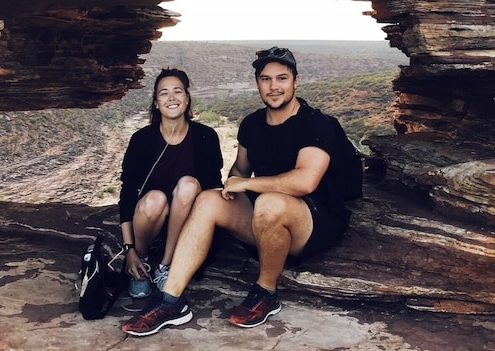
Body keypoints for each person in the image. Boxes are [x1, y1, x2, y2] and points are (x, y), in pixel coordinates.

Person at [122, 47, 351, 336]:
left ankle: (266, 292)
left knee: (268, 203)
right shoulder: (252, 124)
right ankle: (171, 299)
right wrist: (233, 188)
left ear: (296, 81)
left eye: (282, 78)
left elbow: (305, 181)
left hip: (316, 221)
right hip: (267, 222)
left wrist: (247, 185)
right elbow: (239, 172)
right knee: (207, 199)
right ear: (257, 83)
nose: (274, 86)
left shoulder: (315, 123)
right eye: (265, 79)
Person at [118, 68, 224, 300]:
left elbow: (212, 190)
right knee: (156, 198)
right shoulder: (142, 140)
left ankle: (167, 266)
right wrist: (130, 250)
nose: (172, 98)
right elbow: (127, 194)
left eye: (178, 91)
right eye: (164, 93)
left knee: (188, 185)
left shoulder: (206, 137)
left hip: (187, 223)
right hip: (149, 221)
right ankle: (141, 262)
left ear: (187, 98)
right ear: (156, 103)